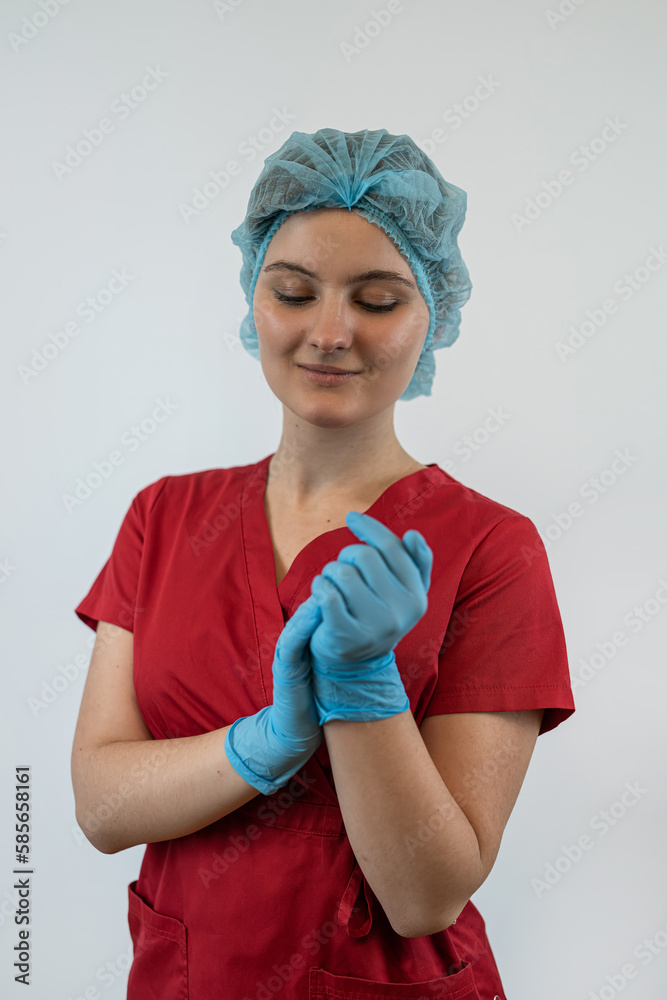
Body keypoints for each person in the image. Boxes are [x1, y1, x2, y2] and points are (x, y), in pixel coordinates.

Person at [71, 128, 575, 999]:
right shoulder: (165, 517)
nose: (330, 333)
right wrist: (266, 741)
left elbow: (424, 897)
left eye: (377, 301)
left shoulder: (491, 547)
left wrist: (360, 685)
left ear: (432, 315)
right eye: (294, 292)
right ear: (253, 298)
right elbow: (99, 807)